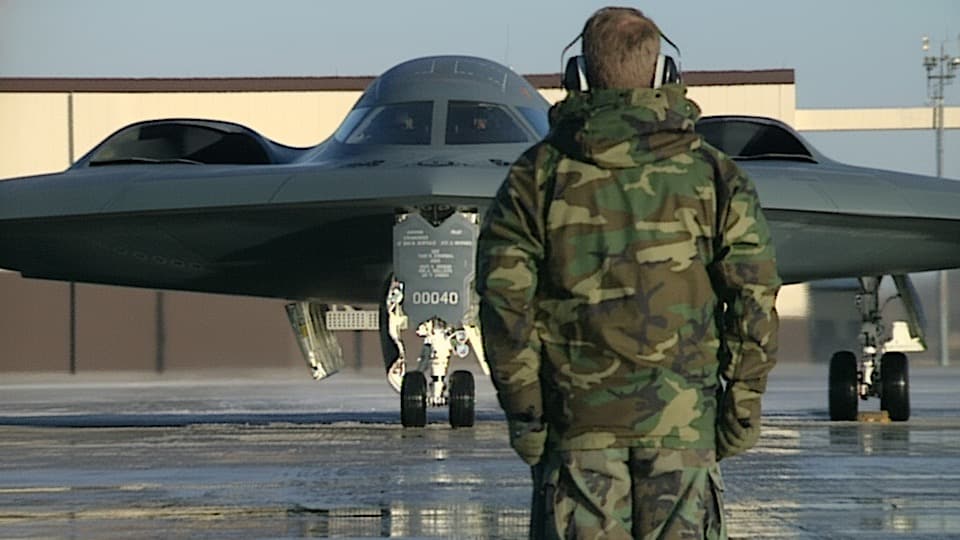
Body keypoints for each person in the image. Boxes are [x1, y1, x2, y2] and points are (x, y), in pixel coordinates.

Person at [476, 6, 781, 539]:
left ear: (579, 76)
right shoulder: (715, 175)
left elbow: (505, 305)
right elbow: (754, 298)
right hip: (683, 431)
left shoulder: (535, 177)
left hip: (577, 436)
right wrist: (741, 411)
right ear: (666, 74)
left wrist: (527, 420)